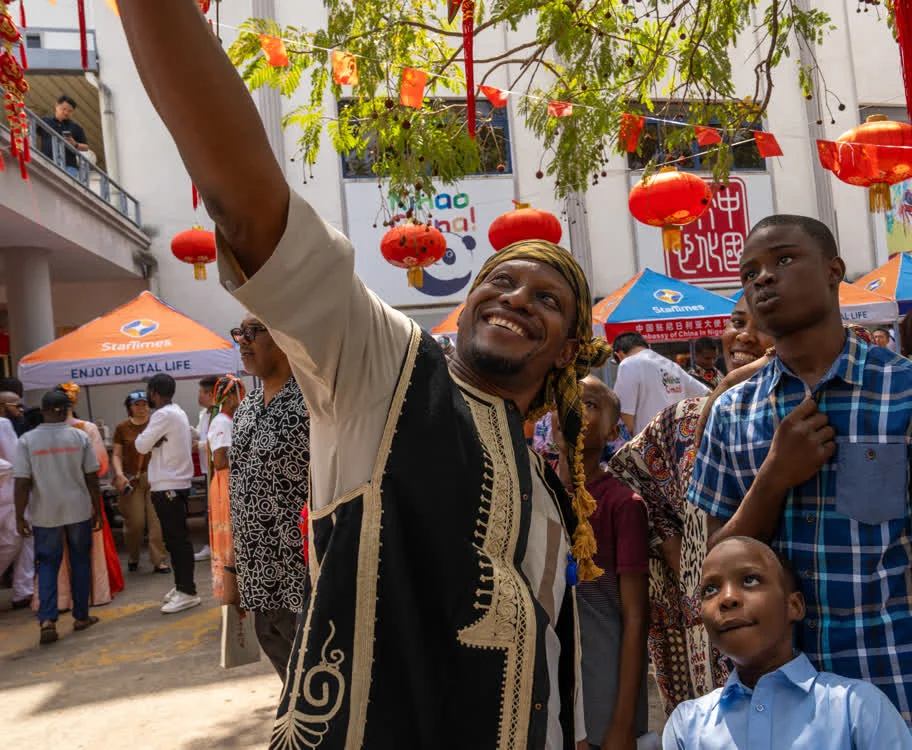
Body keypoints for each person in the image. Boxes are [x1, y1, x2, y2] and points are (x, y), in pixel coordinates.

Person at [120, 5, 618, 743]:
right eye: (499, 283)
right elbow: (256, 212)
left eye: (546, 299)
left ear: (567, 353)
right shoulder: (387, 371)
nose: (515, 298)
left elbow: (547, 654)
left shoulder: (548, 490)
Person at [690, 215, 912, 750]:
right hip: (773, 717)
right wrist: (775, 477)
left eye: (784, 260)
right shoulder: (730, 414)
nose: (763, 278)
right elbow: (717, 569)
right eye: (750, 271)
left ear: (834, 270)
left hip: (902, 698)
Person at [608, 293, 773, 714]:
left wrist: (732, 383)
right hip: (709, 637)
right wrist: (673, 547)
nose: (745, 336)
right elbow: (631, 477)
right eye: (737, 321)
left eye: (765, 324)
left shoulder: (808, 404)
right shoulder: (681, 421)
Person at [662, 537, 912, 749]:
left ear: (793, 606)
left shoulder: (857, 709)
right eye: (710, 590)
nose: (727, 599)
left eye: (750, 580)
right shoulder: (687, 725)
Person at [557, 376, 649, 749]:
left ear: (613, 431)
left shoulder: (623, 504)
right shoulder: (536, 490)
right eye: (565, 400)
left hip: (604, 686)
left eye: (590, 405)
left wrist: (623, 722)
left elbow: (636, 617)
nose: (575, 410)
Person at [228, 317, 310, 679]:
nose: (243, 342)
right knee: (287, 681)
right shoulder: (245, 408)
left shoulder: (313, 401)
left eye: (254, 332)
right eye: (239, 333)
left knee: (316, 683)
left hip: (303, 579)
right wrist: (232, 570)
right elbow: (238, 493)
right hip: (257, 579)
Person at [13, 390, 103, 645]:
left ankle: (47, 620)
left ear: (42, 411)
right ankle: (81, 617)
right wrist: (97, 509)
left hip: (45, 513)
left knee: (48, 564)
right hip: (78, 510)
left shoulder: (27, 441)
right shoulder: (79, 436)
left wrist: (20, 517)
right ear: (66, 410)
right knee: (80, 561)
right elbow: (91, 478)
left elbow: (21, 482)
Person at [38, 383, 124, 611]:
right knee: (82, 554)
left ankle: (54, 605)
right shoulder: (85, 430)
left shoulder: (34, 436)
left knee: (50, 557)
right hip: (81, 498)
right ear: (70, 405)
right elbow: (98, 468)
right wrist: (97, 506)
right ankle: (86, 604)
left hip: (48, 503)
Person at [135, 373, 200, 614]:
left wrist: (152, 440)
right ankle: (182, 586)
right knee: (176, 540)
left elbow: (140, 445)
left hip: (168, 485)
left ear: (154, 392)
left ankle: (188, 591)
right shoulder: (177, 412)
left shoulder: (163, 415)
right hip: (174, 483)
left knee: (176, 541)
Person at [113, 390, 168, 574]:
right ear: (129, 407)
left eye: (144, 404)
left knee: (157, 521)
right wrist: (119, 474)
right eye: (137, 404)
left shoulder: (156, 424)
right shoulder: (122, 428)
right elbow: (117, 454)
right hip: (132, 479)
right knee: (135, 523)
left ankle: (158, 560)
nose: (141, 408)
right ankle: (134, 555)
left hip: (155, 477)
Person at [612, 332, 709, 435]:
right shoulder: (672, 366)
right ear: (648, 346)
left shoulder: (628, 364)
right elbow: (708, 395)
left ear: (619, 355)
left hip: (647, 444)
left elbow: (626, 422)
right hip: (677, 442)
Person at [205, 375, 243, 604]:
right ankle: (232, 594)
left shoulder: (225, 420)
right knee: (230, 539)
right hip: (225, 482)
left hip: (226, 481)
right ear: (229, 397)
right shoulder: (222, 422)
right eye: (240, 393)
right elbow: (220, 460)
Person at [0, 405, 34, 609]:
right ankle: (23, 589)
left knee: (25, 540)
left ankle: (24, 590)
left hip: (13, 492)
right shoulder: (3, 424)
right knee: (17, 539)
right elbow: (13, 462)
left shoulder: (5, 424)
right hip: (11, 493)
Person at [193, 374, 219, 562]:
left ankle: (214, 545)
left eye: (202, 392)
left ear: (211, 394)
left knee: (213, 508)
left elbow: (218, 438)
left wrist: (200, 445)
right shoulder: (205, 414)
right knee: (209, 508)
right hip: (206, 469)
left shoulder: (220, 413)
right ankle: (211, 544)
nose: (199, 396)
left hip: (217, 468)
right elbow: (200, 433)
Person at [38, 95, 89, 178]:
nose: (66, 113)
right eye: (64, 109)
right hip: (46, 162)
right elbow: (30, 128)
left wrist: (74, 144)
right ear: (56, 105)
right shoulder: (44, 121)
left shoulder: (76, 127)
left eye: (70, 111)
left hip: (69, 166)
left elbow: (86, 147)